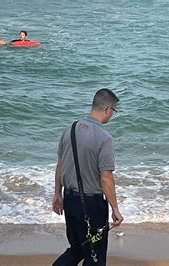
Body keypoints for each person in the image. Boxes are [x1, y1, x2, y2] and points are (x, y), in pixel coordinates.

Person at [52, 88, 123, 266]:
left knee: (77, 248)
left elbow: (60, 165)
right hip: (92, 205)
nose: (112, 115)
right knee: (95, 256)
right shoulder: (105, 138)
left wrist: (57, 194)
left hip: (69, 200)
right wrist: (115, 208)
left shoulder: (70, 129)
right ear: (108, 109)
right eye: (113, 111)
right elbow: (106, 178)